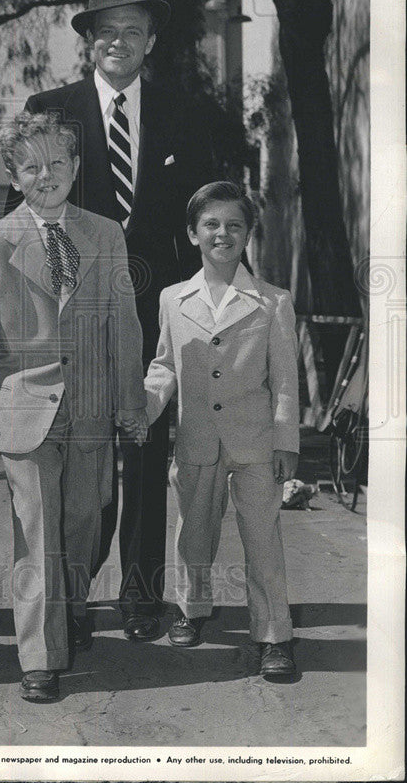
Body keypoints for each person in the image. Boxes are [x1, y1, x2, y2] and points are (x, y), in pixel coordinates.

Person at [16, 0, 214, 642]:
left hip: (158, 318)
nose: (118, 42)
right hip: (74, 313)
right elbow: (30, 209)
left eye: (132, 31)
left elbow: (203, 215)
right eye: (106, 31)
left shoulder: (187, 112)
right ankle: (72, 592)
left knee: (148, 454)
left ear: (151, 41)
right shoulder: (51, 108)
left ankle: (140, 596)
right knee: (80, 459)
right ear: (88, 42)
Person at [0, 112, 147, 703]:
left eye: (58, 164)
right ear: (14, 177)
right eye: (32, 167)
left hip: (92, 408)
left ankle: (68, 610)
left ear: (75, 168)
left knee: (85, 523)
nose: (48, 175)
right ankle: (39, 657)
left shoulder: (105, 233)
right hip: (26, 408)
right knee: (37, 532)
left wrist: (131, 402)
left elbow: (124, 323)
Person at [142, 181, 299, 676]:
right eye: (211, 224)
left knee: (263, 538)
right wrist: (141, 407)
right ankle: (191, 609)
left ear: (248, 234)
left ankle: (273, 635)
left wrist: (286, 442)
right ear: (193, 234)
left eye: (234, 225)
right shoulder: (173, 298)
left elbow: (286, 381)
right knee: (193, 532)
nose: (222, 234)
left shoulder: (273, 302)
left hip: (255, 443)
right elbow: (164, 365)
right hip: (196, 439)